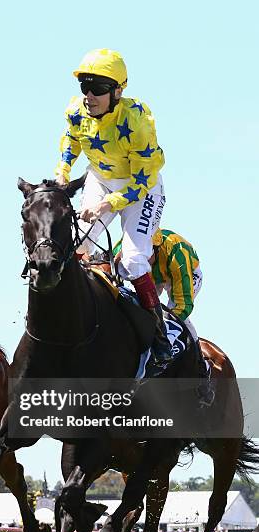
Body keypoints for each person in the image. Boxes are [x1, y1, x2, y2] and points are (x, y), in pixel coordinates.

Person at [55, 48, 171, 365]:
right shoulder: (77, 110)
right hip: (101, 178)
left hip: (141, 188)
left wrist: (108, 204)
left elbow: (143, 180)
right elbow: (72, 140)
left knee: (133, 260)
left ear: (117, 91)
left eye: (99, 89)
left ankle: (160, 337)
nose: (90, 95)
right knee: (76, 248)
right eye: (85, 87)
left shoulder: (139, 121)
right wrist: (63, 171)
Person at [113, 228, 214, 405]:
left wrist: (164, 329)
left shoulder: (177, 255)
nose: (140, 257)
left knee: (172, 315)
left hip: (183, 274)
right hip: (150, 277)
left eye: (145, 254)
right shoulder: (121, 249)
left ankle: (202, 370)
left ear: (156, 248)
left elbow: (184, 305)